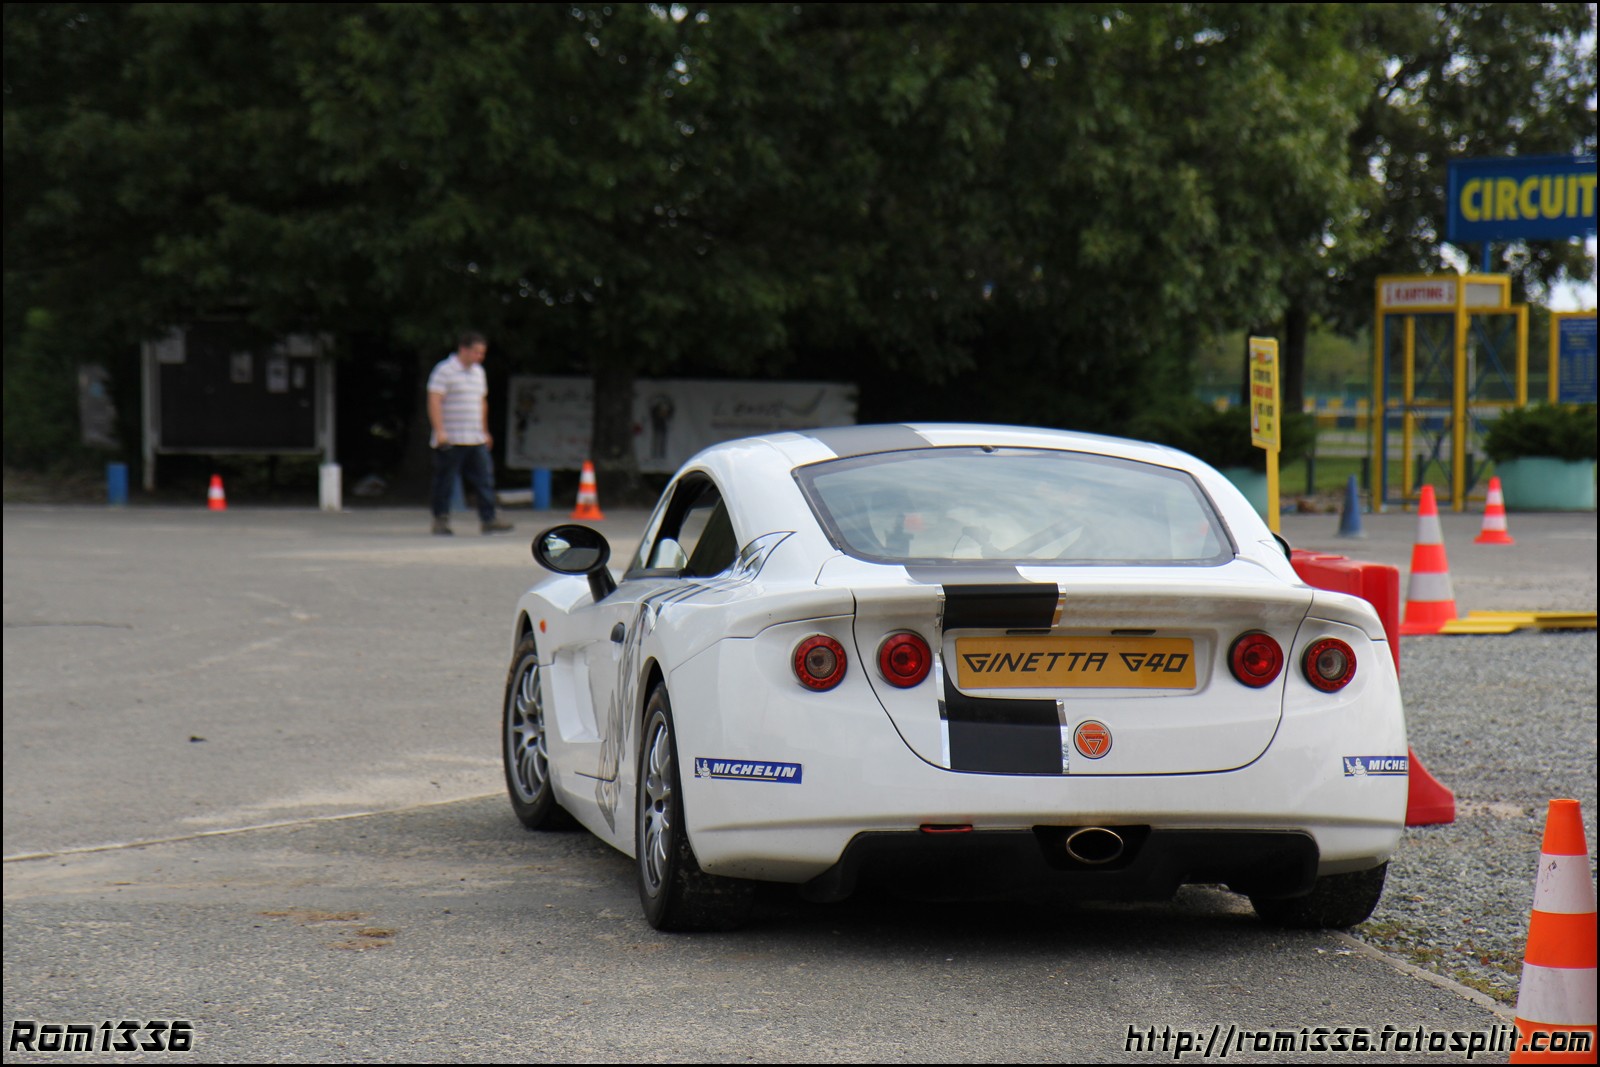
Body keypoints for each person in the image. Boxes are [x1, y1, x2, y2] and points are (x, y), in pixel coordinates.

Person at [427, 331, 514, 536]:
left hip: (474, 437)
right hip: (451, 437)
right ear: (463, 349)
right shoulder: (444, 370)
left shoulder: (478, 372)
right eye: (476, 352)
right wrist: (439, 430)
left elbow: (481, 402)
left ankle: (489, 518)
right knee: (445, 480)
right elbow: (434, 400)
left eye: (482, 353)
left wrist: (485, 431)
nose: (479, 357)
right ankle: (441, 519)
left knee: (485, 479)